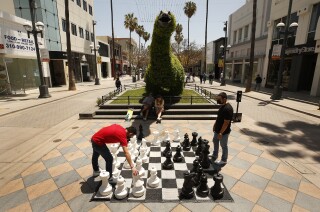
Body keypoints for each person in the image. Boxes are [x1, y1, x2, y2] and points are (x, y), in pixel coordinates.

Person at [212, 92, 234, 165]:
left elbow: (226, 123)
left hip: (223, 132)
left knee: (223, 145)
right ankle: (215, 155)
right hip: (217, 130)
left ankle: (224, 159)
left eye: (219, 99)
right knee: (215, 141)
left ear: (224, 99)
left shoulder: (228, 109)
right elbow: (219, 117)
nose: (218, 100)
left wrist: (221, 133)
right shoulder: (222, 106)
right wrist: (215, 125)